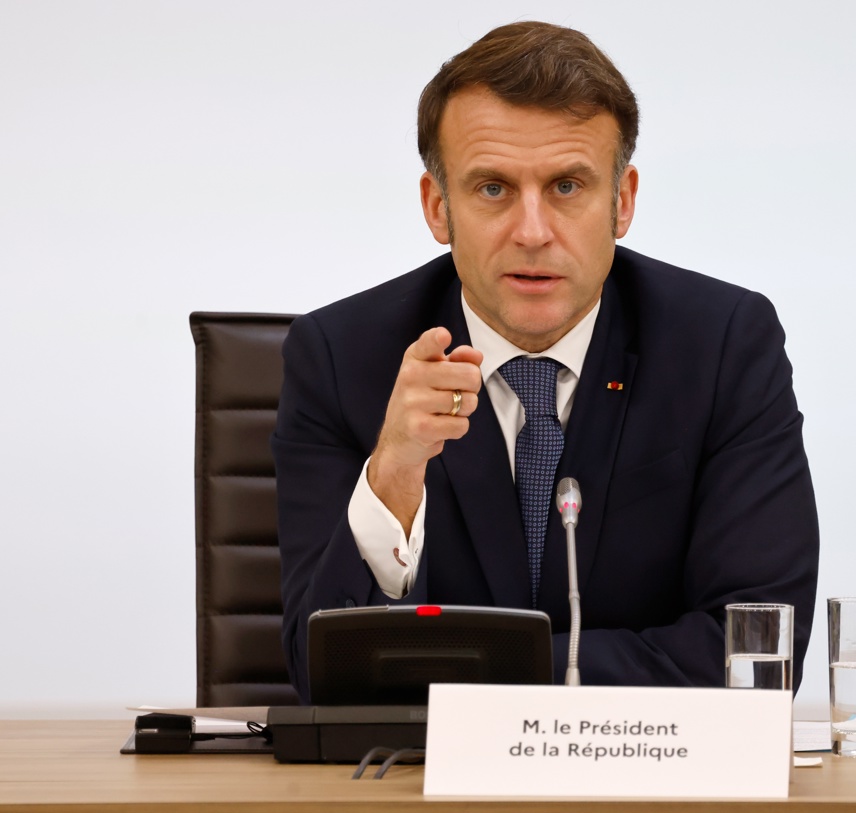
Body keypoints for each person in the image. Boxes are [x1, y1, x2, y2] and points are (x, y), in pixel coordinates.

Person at [272, 21, 819, 702]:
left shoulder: (723, 345)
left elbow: (754, 655)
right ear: (438, 208)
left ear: (621, 202)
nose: (532, 232)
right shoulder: (341, 358)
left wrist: (478, 671)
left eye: (566, 186)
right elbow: (320, 671)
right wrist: (393, 475)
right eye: (493, 188)